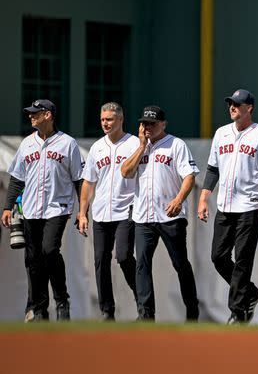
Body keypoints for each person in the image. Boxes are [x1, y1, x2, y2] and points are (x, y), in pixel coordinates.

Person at [197, 89, 258, 324]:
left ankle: (237, 311)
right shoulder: (221, 133)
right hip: (225, 203)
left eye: (237, 104)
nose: (232, 107)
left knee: (243, 258)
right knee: (218, 256)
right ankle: (249, 293)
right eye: (231, 103)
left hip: (251, 205)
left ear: (249, 108)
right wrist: (204, 197)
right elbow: (213, 169)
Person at [1, 99, 83, 322]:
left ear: (48, 115)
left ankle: (62, 300)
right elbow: (17, 179)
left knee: (49, 250)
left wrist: (82, 210)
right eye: (30, 113)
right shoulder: (27, 143)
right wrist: (8, 207)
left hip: (58, 208)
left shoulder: (68, 144)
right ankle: (39, 309)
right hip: (30, 210)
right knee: (33, 259)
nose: (31, 116)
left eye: (35, 113)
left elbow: (79, 180)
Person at [121, 105, 200, 321]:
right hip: (143, 216)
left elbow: (190, 177)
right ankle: (146, 314)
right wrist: (140, 146)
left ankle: (192, 311)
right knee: (142, 264)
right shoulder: (139, 147)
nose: (147, 127)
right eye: (144, 123)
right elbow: (126, 173)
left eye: (152, 123)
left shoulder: (176, 145)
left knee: (180, 264)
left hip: (170, 215)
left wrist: (178, 199)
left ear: (163, 124)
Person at [76, 102, 138, 320]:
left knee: (123, 256)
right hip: (101, 211)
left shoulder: (134, 143)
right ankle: (107, 311)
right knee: (100, 260)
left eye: (109, 119)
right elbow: (88, 182)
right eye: (103, 119)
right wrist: (83, 212)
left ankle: (143, 303)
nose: (105, 123)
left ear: (120, 119)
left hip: (127, 209)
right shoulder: (96, 148)